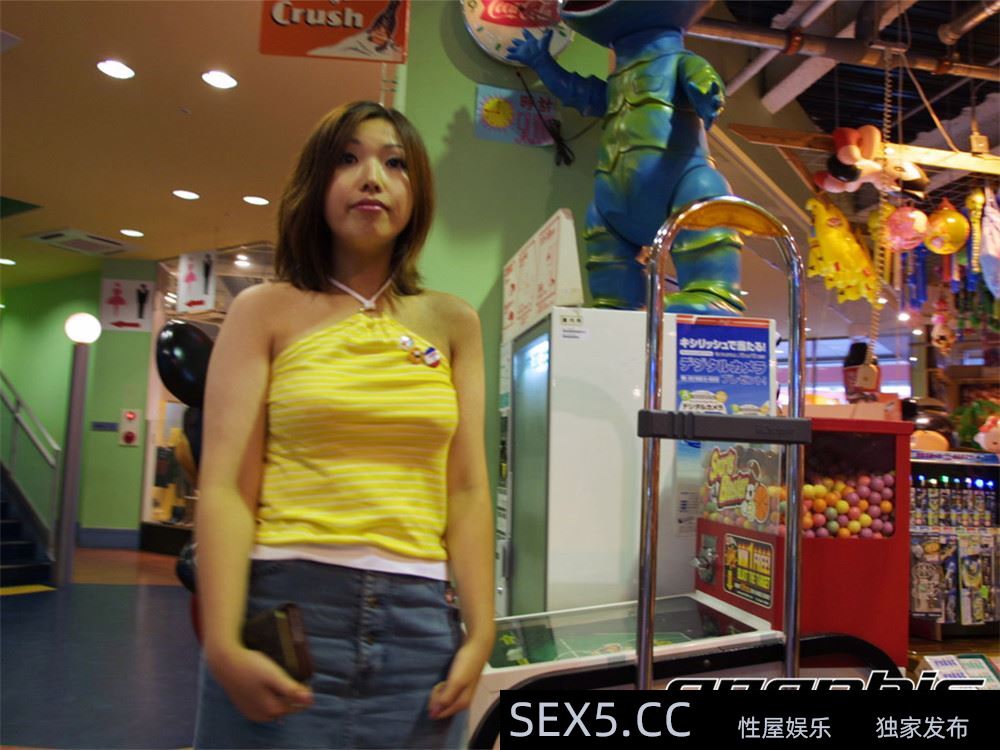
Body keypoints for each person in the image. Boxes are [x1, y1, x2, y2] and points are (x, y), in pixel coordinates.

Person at [193, 100, 495, 749]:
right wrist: (220, 640)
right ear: (316, 182)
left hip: (421, 631)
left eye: (395, 163)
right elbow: (224, 487)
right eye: (348, 159)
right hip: (288, 614)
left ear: (417, 192)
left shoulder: (455, 323)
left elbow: (469, 490)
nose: (372, 178)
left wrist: (482, 633)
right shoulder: (263, 311)